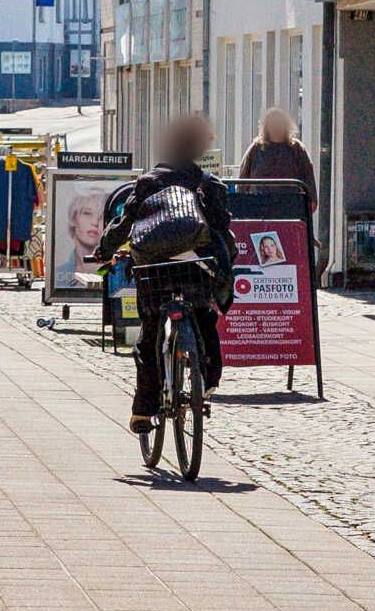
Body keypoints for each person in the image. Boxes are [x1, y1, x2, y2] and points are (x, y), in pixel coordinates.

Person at [96, 112, 236, 435]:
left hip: (155, 270)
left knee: (150, 334)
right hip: (195, 270)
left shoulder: (148, 182)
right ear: (200, 147)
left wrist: (105, 249)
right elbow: (222, 228)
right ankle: (208, 380)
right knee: (203, 319)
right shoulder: (209, 184)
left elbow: (125, 224)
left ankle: (144, 410)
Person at [236, 107, 319, 246]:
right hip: (261, 211)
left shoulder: (297, 149)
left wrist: (310, 205)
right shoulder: (256, 148)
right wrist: (243, 207)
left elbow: (308, 179)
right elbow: (243, 180)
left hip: (290, 211)